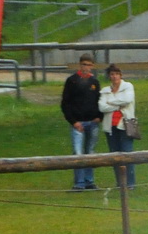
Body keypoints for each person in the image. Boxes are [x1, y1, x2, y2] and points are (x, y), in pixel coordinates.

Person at [59, 53, 103, 191]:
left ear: (92, 66)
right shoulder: (72, 81)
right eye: (84, 64)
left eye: (89, 65)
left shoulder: (94, 82)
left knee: (90, 152)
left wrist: (99, 117)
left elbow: (100, 101)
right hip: (78, 123)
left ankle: (89, 181)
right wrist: (73, 122)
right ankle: (79, 183)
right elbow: (65, 104)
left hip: (92, 122)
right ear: (80, 65)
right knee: (78, 153)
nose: (86, 68)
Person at [98, 64, 138, 187]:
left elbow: (127, 100)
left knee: (127, 154)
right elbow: (102, 107)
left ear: (120, 75)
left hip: (125, 125)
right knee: (114, 155)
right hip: (111, 126)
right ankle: (120, 183)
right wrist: (116, 106)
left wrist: (110, 102)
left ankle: (130, 183)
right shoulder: (105, 90)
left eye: (116, 74)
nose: (114, 76)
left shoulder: (127, 86)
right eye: (112, 74)